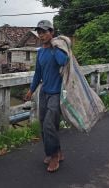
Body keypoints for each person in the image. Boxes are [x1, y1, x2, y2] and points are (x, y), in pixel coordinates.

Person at [24, 20, 68, 172]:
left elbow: (64, 62)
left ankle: (54, 156)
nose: (41, 35)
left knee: (50, 124)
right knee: (44, 125)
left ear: (52, 32)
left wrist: (54, 46)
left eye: (44, 32)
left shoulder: (58, 50)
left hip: (56, 93)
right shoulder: (40, 52)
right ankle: (55, 151)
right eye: (39, 32)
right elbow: (38, 73)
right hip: (44, 93)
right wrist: (31, 90)